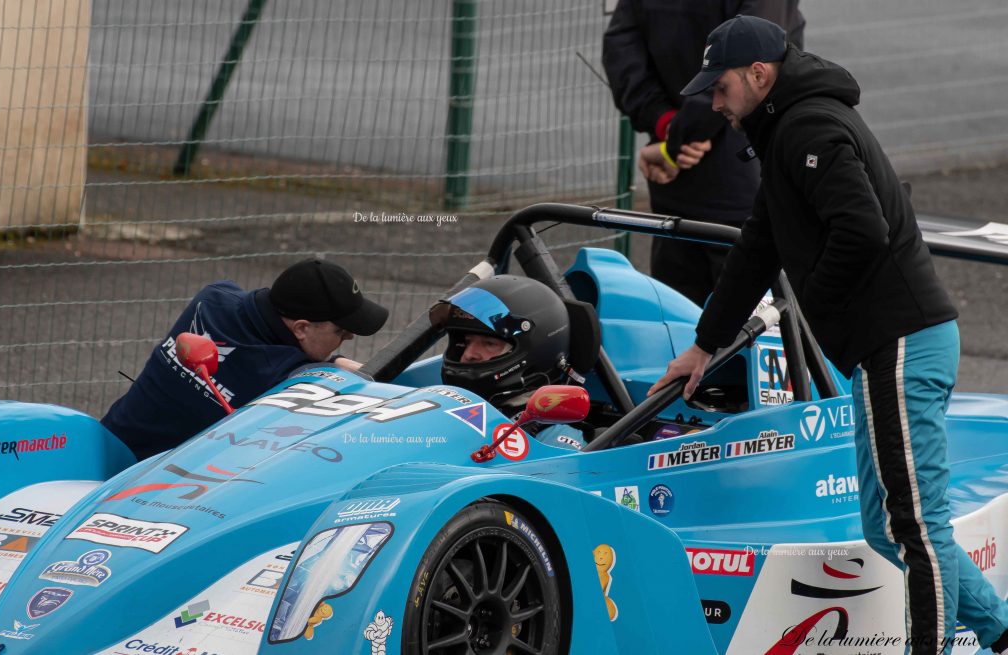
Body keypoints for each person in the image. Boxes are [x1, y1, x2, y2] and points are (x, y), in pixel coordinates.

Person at [647, 16, 1008, 655]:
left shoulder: (808, 126)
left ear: (759, 75)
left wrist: (817, 298)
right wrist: (705, 344)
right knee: (883, 526)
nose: (713, 102)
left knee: (914, 527)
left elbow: (862, 230)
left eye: (721, 87)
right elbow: (759, 245)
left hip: (902, 341)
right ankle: (1002, 631)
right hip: (889, 344)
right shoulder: (782, 128)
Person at [603, 0, 804, 307]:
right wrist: (680, 131)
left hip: (677, 180)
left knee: (679, 324)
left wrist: (669, 127)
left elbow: (621, 48)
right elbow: (752, 61)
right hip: (744, 186)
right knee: (754, 330)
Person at [101, 258, 388, 461]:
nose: (349, 337)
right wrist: (332, 366)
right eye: (341, 331)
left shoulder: (213, 297)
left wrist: (331, 360)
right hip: (135, 481)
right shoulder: (280, 376)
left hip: (105, 441)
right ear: (301, 328)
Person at [428, 275, 587, 450]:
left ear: (538, 351)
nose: (468, 355)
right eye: (466, 342)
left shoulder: (552, 439)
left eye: (489, 344)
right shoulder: (442, 405)